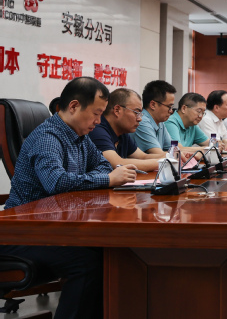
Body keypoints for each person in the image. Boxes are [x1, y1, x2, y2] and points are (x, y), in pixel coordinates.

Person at [0, 77, 136, 319]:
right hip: (23, 232)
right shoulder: (48, 137)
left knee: (112, 252)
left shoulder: (80, 136)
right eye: (96, 113)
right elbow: (56, 182)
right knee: (86, 264)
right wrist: (106, 180)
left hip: (55, 227)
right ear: (74, 106)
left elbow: (104, 166)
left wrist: (102, 176)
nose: (98, 121)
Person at [89, 88, 164, 172]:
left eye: (140, 114)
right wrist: (163, 162)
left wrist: (169, 157)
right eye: (136, 112)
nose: (140, 119)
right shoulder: (97, 130)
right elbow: (117, 163)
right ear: (117, 110)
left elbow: (143, 157)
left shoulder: (122, 132)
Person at [134, 80, 176, 155]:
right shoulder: (142, 121)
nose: (171, 111)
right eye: (169, 107)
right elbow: (158, 154)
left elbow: (173, 148)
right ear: (153, 105)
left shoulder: (160, 122)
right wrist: (180, 155)